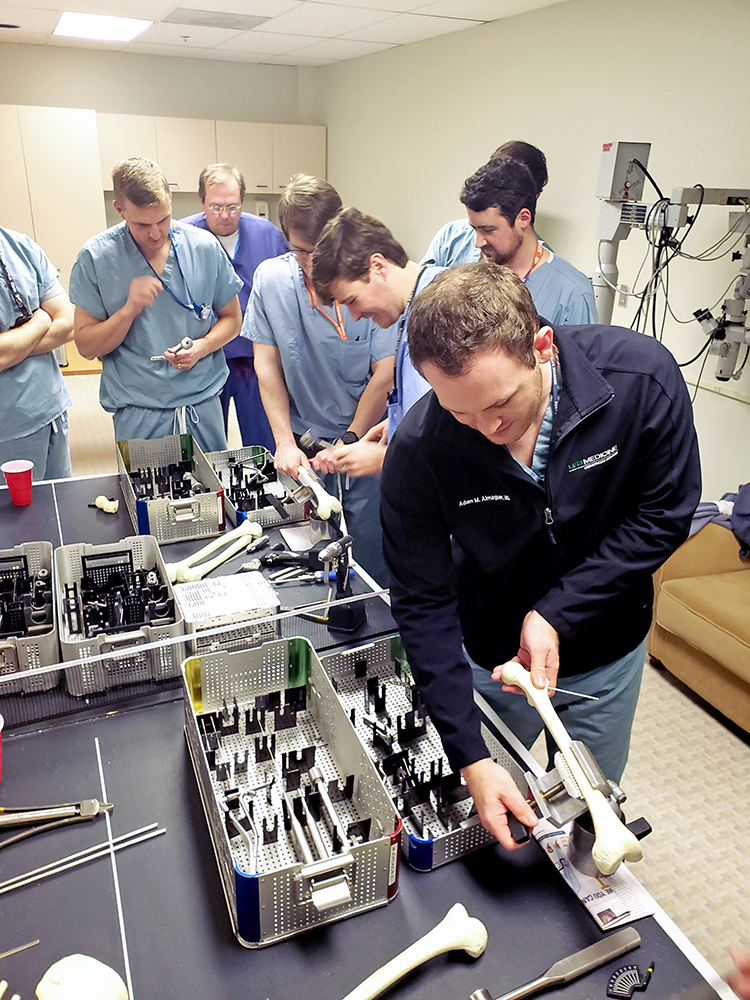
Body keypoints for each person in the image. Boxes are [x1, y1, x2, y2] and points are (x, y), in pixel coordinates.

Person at [380, 261, 701, 850]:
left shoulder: (639, 380)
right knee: (473, 791)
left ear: (542, 347)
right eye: (460, 412)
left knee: (592, 806)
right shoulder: (421, 450)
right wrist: (470, 754)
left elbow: (665, 514)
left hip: (607, 652)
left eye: (500, 402)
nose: (486, 427)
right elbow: (422, 602)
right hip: (494, 660)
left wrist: (559, 610)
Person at [244, 176, 397, 584]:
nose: (311, 263)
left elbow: (385, 371)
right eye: (299, 250)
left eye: (321, 250)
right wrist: (283, 442)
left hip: (365, 444)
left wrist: (350, 439)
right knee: (304, 557)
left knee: (369, 554)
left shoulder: (365, 285)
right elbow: (268, 365)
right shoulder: (272, 281)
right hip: (304, 447)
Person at [70, 157, 242, 454]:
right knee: (146, 497)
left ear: (170, 199)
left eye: (163, 220)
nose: (155, 233)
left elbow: (233, 320)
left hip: (202, 404)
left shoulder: (203, 247)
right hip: (140, 410)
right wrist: (128, 311)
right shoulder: (97, 258)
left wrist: (202, 347)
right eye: (142, 224)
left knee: (212, 494)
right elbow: (86, 346)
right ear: (119, 210)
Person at [311, 207, 443, 478]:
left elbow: (469, 432)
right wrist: (398, 426)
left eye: (353, 301)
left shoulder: (442, 311)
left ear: (378, 266)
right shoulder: (412, 313)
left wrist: (386, 457)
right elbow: (434, 410)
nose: (357, 317)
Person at [181, 164, 287, 451]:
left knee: (265, 442)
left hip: (256, 357)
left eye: (232, 206)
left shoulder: (267, 235)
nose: (225, 215)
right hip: (205, 356)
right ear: (202, 202)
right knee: (205, 443)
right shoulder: (182, 237)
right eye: (216, 207)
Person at [459, 157, 597, 325]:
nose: (478, 242)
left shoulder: (572, 294)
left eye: (488, 230)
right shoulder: (473, 279)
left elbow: (577, 351)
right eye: (475, 229)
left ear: (523, 219)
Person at [0, 226, 75, 480]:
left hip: (49, 413)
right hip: (7, 431)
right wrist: (40, 321)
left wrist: (15, 346)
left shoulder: (21, 246)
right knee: (16, 518)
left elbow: (67, 322)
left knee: (60, 510)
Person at [422, 139, 549, 268]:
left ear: (535, 198)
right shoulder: (450, 236)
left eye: (489, 230)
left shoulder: (545, 269)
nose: (478, 243)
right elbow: (415, 284)